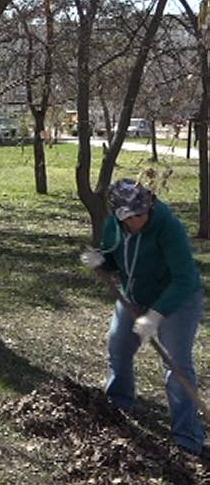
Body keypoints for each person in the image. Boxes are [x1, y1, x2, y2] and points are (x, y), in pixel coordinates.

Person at [81, 179, 205, 454]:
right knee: (118, 347)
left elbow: (184, 279)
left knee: (177, 365)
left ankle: (188, 437)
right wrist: (101, 260)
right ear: (120, 215)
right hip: (134, 297)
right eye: (132, 216)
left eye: (142, 213)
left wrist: (155, 316)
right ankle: (118, 404)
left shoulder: (168, 227)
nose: (140, 220)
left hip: (178, 300)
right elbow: (115, 257)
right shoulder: (114, 226)